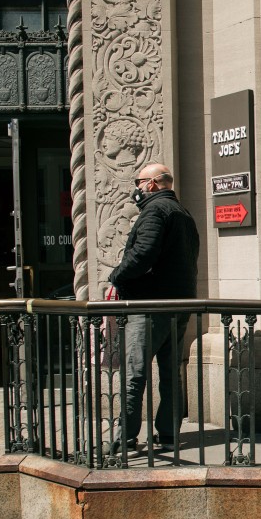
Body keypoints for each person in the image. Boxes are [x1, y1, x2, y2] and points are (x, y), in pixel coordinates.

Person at [108, 163, 200, 453]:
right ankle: (169, 433)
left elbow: (143, 253)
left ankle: (126, 437)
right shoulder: (183, 214)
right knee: (171, 370)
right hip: (179, 303)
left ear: (151, 184)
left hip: (151, 306)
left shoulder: (154, 211)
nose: (136, 188)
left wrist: (116, 276)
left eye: (139, 182)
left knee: (135, 371)